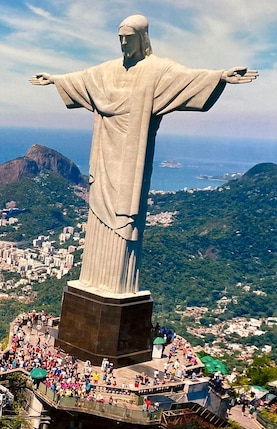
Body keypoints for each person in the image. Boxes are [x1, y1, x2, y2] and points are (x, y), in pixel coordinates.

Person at [30, 14, 257, 294]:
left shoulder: (158, 70)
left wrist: (220, 76)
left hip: (131, 159)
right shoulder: (108, 70)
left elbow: (189, 79)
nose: (124, 44)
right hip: (103, 154)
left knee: (125, 216)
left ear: (142, 38)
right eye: (120, 39)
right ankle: (93, 279)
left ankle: (117, 284)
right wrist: (55, 80)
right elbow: (83, 79)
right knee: (98, 213)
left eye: (129, 38)